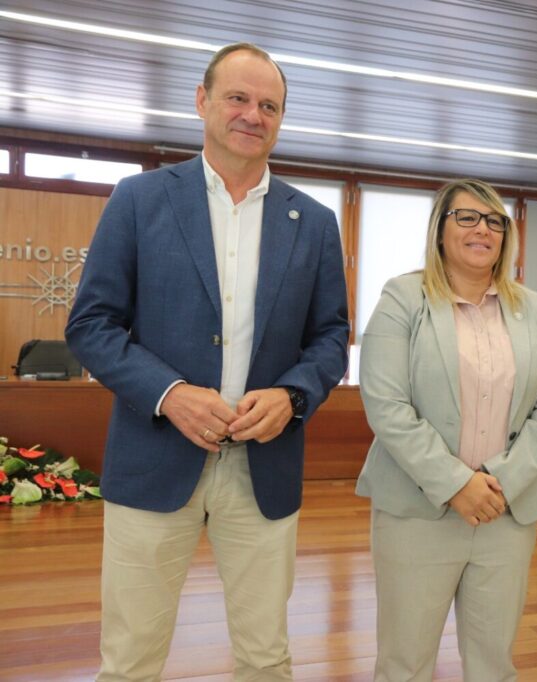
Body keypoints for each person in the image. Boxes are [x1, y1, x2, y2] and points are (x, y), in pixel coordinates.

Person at [65, 43, 349, 680]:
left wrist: (293, 396)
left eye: (269, 105)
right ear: (202, 102)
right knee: (131, 656)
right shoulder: (138, 199)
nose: (253, 114)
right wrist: (169, 392)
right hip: (153, 458)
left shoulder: (316, 221)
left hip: (263, 468)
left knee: (265, 655)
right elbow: (90, 324)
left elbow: (330, 337)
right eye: (238, 98)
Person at [356, 179, 537, 681]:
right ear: (440, 229)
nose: (483, 230)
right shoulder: (403, 297)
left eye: (495, 221)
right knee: (405, 663)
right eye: (468, 217)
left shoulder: (534, 308)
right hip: (416, 513)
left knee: (493, 663)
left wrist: (501, 481)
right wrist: (457, 484)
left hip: (505, 511)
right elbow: (387, 404)